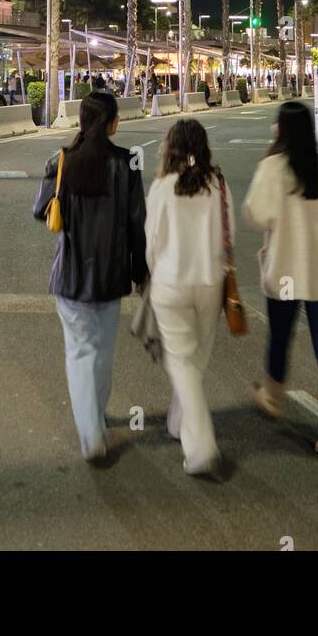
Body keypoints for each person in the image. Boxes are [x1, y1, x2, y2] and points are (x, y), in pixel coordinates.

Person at [32, 92, 148, 463]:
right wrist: (139, 271)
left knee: (80, 352)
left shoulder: (61, 160)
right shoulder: (127, 163)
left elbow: (40, 211)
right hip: (111, 277)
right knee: (102, 352)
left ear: (81, 121)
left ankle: (91, 434)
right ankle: (95, 415)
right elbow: (136, 224)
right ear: (113, 123)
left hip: (70, 275)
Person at [242, 101, 318, 462]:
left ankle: (273, 396)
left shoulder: (273, 168)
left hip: (286, 272)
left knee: (280, 337)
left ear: (281, 130)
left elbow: (256, 214)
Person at [145, 119, 232, 477]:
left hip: (171, 284)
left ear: (170, 148)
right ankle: (179, 422)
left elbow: (152, 241)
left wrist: (152, 273)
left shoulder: (163, 187)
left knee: (182, 363)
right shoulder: (218, 185)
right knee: (195, 360)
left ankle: (201, 448)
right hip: (211, 282)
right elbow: (231, 236)